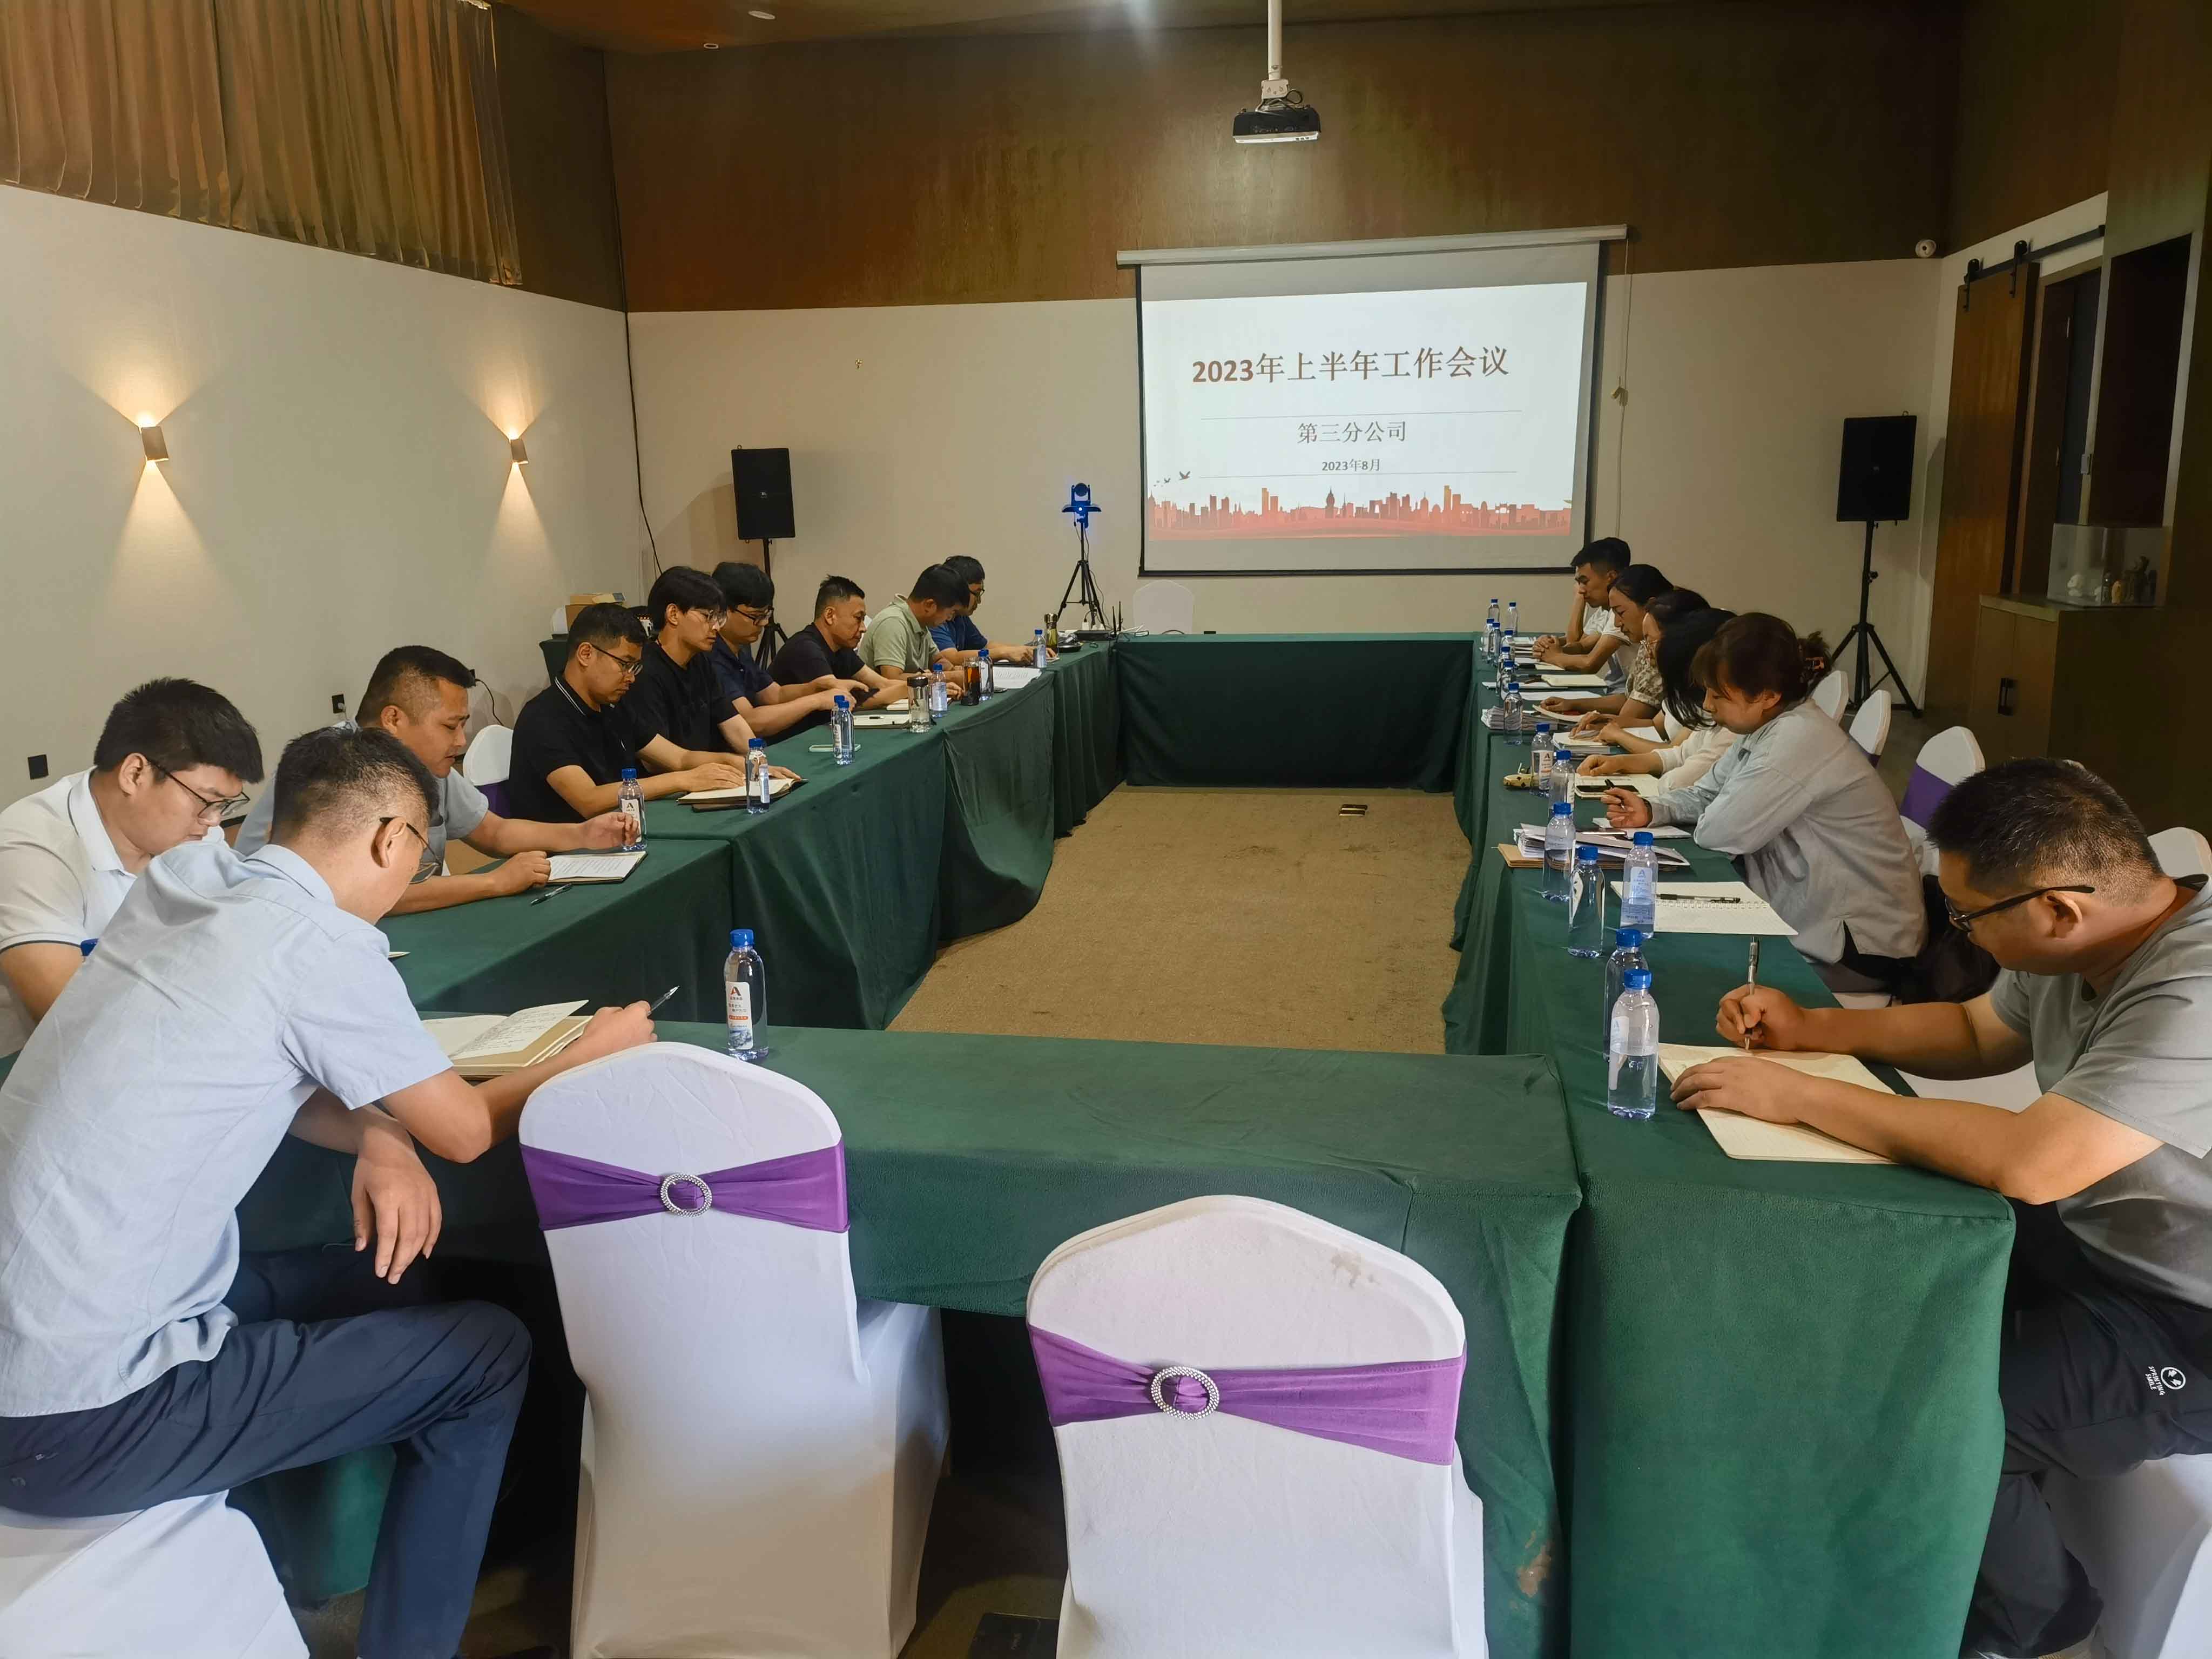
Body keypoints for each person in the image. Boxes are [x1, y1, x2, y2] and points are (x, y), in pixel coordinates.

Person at [0, 724, 657, 1659]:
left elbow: (280, 1067)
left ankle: (406, 1535)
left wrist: (381, 1133)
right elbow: (465, 1132)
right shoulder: (322, 944)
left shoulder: (185, 882)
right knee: (488, 1352)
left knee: (375, 1270)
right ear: (392, 839)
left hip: (44, 1345)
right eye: (418, 849)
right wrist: (591, 1052)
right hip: (77, 1420)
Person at [1671, 759, 2212, 1659]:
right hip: (2095, 1239)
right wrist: (1813, 1029)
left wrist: (1802, 1096)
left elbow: (2032, 1163)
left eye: (1967, 916)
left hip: (2186, 1321)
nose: (1958, 931)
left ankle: (2042, 1623)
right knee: (1870, 1285)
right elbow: (1975, 1029)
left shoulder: (2196, 987)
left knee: (1939, 1411)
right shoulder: (2089, 936)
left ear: (2057, 908)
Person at [1602, 611, 1924, 989]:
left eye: (1718, 695)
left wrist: (1703, 809)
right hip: (1810, 916)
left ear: (1769, 696)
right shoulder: (1768, 725)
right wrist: (1654, 809)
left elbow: (1718, 833)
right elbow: (1707, 792)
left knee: (1683, 970)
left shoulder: (1796, 741)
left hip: (1857, 949)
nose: (1708, 706)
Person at [235, 647, 630, 909]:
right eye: (449, 726)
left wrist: (582, 835)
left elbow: (493, 832)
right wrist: (492, 883)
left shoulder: (422, 761)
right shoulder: (336, 767)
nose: (460, 742)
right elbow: (372, 893)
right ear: (393, 719)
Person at [0, 677, 261, 1057]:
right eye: (207, 801)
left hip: (164, 1032)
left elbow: (246, 926)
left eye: (224, 806)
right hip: (37, 1064)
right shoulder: (33, 848)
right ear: (135, 774)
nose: (214, 822)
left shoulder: (193, 831)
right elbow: (71, 1021)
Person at [508, 603, 745, 823]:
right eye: (625, 665)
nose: (631, 678)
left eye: (635, 667)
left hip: (622, 829)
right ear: (586, 654)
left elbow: (679, 758)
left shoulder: (613, 707)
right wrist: (683, 779)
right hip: (566, 846)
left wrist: (731, 762)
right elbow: (588, 800)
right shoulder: (542, 718)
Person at [1578, 606, 1739, 793]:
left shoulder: (1730, 728)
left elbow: (1676, 780)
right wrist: (1619, 760)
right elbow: (1678, 752)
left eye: (1650, 641)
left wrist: (1619, 736)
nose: (1707, 704)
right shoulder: (1707, 704)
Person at [709, 561, 869, 737]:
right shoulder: (712, 656)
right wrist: (817, 700)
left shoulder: (740, 651)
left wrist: (818, 687)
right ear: (722, 610)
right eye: (755, 616)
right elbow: (750, 721)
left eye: (766, 615)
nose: (764, 623)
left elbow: (775, 694)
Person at [625, 566, 761, 756]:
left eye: (718, 618)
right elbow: (658, 760)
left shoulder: (700, 661)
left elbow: (732, 723)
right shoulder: (645, 671)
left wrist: (759, 759)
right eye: (708, 616)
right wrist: (727, 762)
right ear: (673, 614)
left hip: (707, 767)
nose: (716, 627)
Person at [1543, 564, 1675, 730]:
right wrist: (1573, 704)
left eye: (1621, 613)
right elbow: (1630, 697)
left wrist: (1608, 725)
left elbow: (1629, 717)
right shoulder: (1647, 643)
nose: (1617, 623)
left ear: (1651, 607)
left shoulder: (1661, 648)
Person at [772, 576, 907, 709]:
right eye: (858, 618)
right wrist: (908, 689)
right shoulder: (805, 648)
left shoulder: (842, 648)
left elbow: (882, 684)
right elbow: (843, 700)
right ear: (830, 616)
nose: (864, 628)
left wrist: (914, 685)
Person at [1530, 537, 1633, 685]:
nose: (1580, 589)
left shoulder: (1623, 612)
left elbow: (1590, 664)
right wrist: (1550, 645)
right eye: (1578, 583)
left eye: (1584, 582)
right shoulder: (1605, 610)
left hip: (1624, 693)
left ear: (1611, 578)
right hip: (1616, 689)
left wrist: (1554, 656)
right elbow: (1581, 645)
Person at [860, 563, 969, 686]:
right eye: (951, 612)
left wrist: (951, 669)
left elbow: (938, 660)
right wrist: (950, 677)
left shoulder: (921, 624)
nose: (950, 618)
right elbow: (892, 679)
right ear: (929, 605)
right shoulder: (893, 623)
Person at [927, 556, 1035, 666]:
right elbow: (951, 658)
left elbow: (984, 647)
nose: (979, 601)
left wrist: (1027, 650)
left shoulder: (960, 617)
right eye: (976, 594)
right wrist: (1005, 653)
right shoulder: (936, 617)